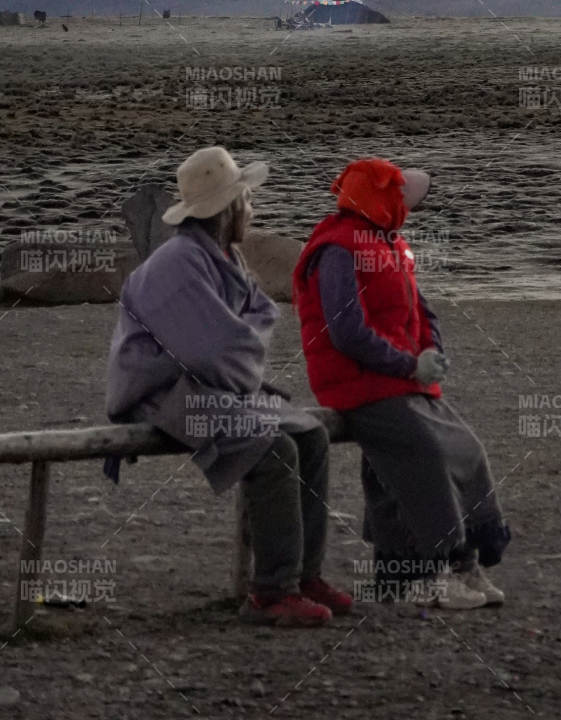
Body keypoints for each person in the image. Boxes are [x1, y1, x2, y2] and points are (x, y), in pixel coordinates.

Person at [105, 146, 352, 627]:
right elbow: (211, 349)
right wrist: (242, 364)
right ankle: (270, 593)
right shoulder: (177, 264)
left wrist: (240, 361)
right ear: (229, 209)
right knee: (273, 447)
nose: (252, 209)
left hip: (209, 386)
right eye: (246, 200)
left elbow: (254, 321)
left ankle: (305, 574)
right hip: (161, 394)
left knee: (311, 436)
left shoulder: (224, 257)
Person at [293, 157, 511, 610]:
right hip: (359, 385)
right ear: (379, 198)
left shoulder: (386, 243)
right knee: (425, 453)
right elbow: (346, 333)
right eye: (397, 194)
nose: (405, 204)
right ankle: (436, 569)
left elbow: (420, 309)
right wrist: (408, 366)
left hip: (397, 380)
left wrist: (430, 353)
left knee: (465, 447)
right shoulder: (338, 249)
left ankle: (460, 562)